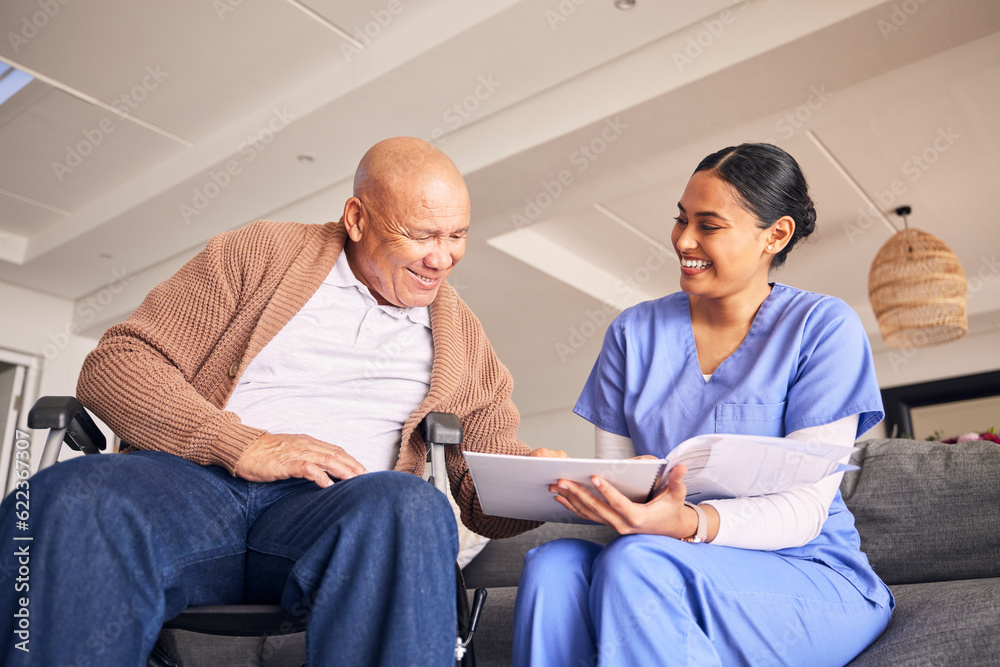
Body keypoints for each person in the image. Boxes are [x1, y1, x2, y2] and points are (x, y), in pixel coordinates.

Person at [0, 137, 558, 666]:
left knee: (410, 505)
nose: (442, 258)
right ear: (357, 218)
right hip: (192, 489)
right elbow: (116, 364)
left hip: (335, 512)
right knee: (69, 497)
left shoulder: (462, 336)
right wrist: (241, 444)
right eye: (421, 234)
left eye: (457, 234)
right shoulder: (259, 253)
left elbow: (481, 487)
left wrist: (543, 485)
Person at [512, 143, 894, 666]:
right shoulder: (632, 333)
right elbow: (626, 488)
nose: (683, 240)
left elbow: (806, 511)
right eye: (681, 219)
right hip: (661, 554)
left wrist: (688, 523)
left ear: (775, 235)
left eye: (708, 225)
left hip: (804, 569)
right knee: (552, 567)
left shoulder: (823, 328)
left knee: (638, 561)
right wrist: (584, 484)